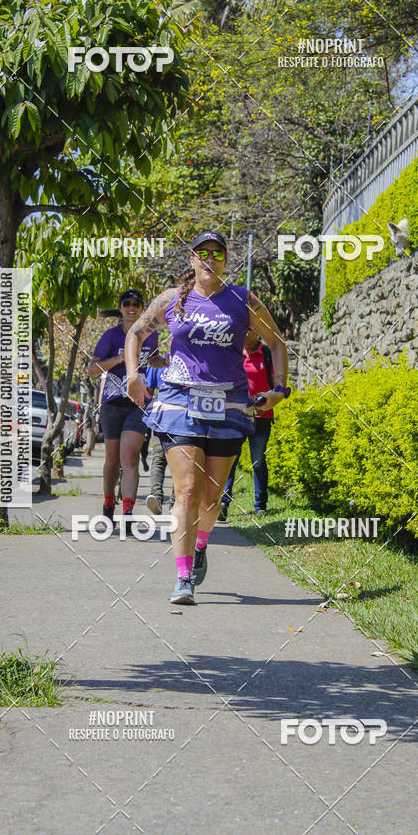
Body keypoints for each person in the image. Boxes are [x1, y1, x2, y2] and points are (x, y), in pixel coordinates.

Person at [125, 230, 290, 605]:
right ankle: (183, 577)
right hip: (179, 401)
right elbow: (135, 333)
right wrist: (133, 376)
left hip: (228, 404)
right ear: (192, 259)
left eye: (218, 253)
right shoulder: (171, 299)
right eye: (203, 252)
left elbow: (277, 342)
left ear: (225, 260)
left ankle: (200, 545)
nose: (211, 258)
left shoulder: (242, 299)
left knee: (212, 498)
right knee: (186, 491)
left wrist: (280, 388)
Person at [89, 289, 160, 530]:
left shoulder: (150, 336)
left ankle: (128, 513)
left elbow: (153, 360)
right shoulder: (110, 336)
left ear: (142, 309)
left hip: (137, 403)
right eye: (127, 304)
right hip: (112, 403)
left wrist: (167, 360)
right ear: (120, 308)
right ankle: (108, 505)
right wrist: (119, 359)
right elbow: (93, 368)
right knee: (112, 460)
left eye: (136, 304)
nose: (131, 307)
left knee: (129, 458)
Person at [219, 328, 275, 520]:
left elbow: (276, 385)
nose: (244, 332)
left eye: (249, 329)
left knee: (258, 460)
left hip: (261, 416)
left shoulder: (266, 354)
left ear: (256, 332)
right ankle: (224, 503)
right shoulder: (232, 352)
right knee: (230, 460)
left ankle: (260, 505)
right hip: (236, 414)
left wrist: (268, 399)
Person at [145, 359, 175, 516]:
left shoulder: (190, 359)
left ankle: (175, 503)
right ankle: (156, 499)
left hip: (182, 419)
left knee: (180, 462)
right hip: (160, 419)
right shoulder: (157, 363)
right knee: (158, 458)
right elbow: (148, 392)